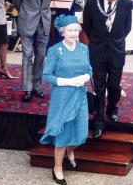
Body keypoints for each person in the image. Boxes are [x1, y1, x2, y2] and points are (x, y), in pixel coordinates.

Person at [40, 14, 92, 185]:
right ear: (62, 31)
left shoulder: (84, 48)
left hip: (79, 95)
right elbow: (46, 75)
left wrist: (85, 77)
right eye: (69, 30)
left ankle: (70, 150)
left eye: (76, 30)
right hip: (62, 97)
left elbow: (89, 70)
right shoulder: (55, 50)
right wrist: (66, 81)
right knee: (62, 134)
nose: (73, 33)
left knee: (81, 133)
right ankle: (57, 168)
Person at [83, 0, 133, 138]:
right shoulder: (92, 3)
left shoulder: (126, 4)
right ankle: (98, 121)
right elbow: (87, 27)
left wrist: (115, 40)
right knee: (99, 88)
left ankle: (112, 109)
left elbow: (127, 28)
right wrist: (98, 41)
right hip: (97, 51)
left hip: (116, 51)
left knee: (114, 86)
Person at [13, 0, 57, 102]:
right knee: (27, 55)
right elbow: (17, 1)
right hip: (27, 22)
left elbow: (48, 0)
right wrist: (27, 13)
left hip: (44, 23)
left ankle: (37, 86)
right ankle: (27, 88)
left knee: (40, 56)